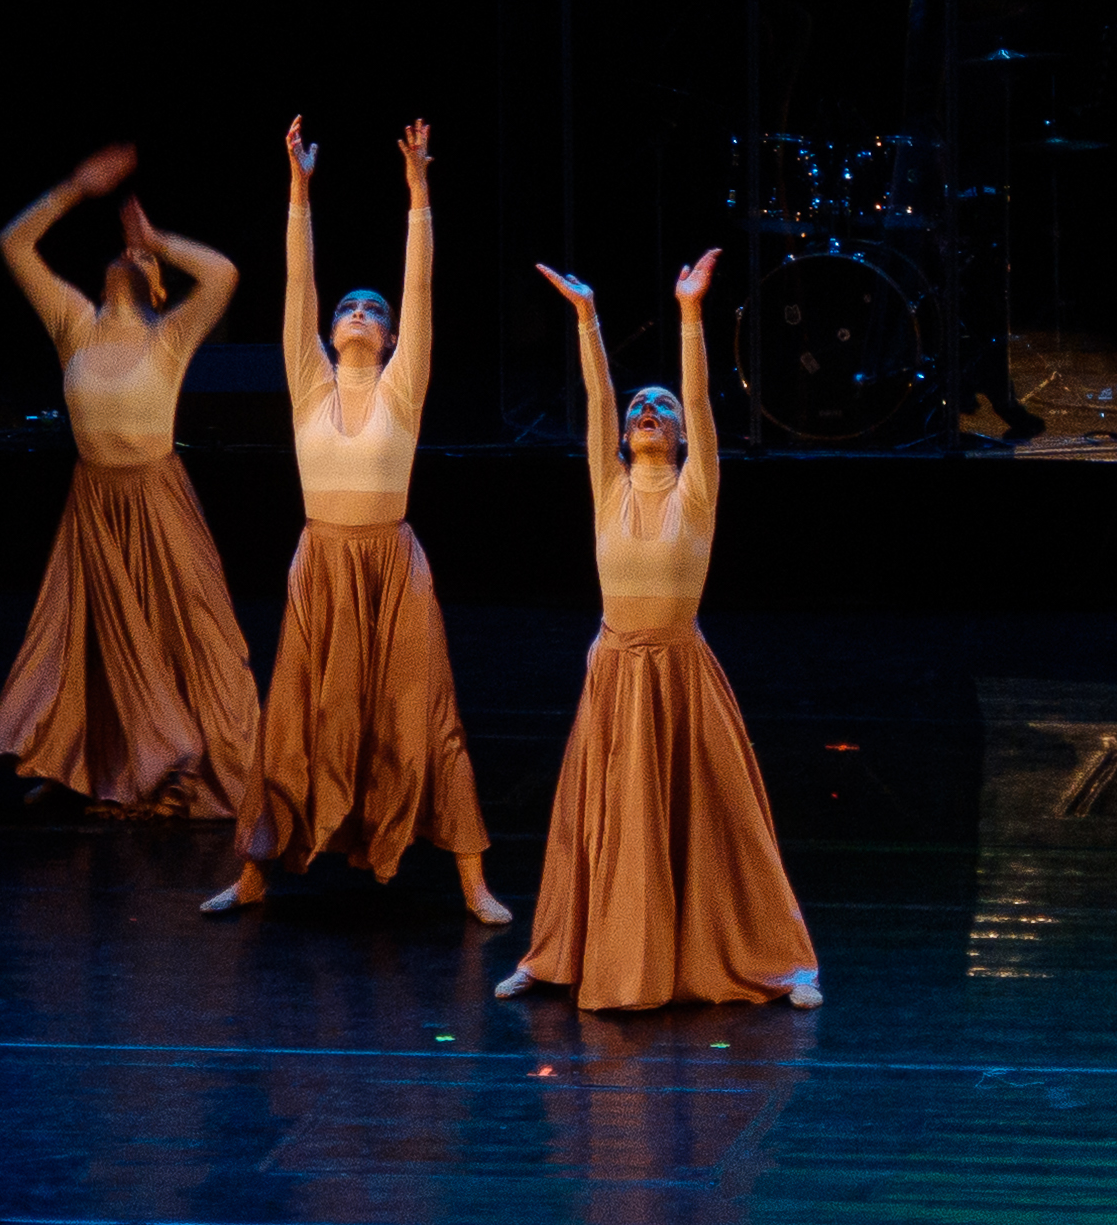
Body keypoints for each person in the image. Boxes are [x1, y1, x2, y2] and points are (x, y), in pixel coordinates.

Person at [206, 118, 510, 923]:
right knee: (295, 718)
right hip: (323, 566)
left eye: (375, 311)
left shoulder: (402, 390)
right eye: (350, 307)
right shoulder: (309, 382)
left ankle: (472, 879)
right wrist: (299, 191)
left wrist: (418, 193)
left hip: (394, 570)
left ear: (394, 337)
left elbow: (421, 289)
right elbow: (298, 283)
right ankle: (254, 875)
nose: (361, 313)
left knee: (425, 714)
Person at [499, 253, 822, 1009]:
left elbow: (702, 401)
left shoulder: (696, 492)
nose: (649, 407)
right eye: (640, 404)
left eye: (662, 406)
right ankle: (558, 955)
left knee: (714, 824)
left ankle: (777, 962)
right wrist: (587, 319)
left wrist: (690, 314)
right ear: (622, 434)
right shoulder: (608, 486)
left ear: (679, 437)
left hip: (679, 674)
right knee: (598, 822)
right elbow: (597, 395)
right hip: (615, 675)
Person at [0, 145, 259, 819]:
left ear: (160, 290)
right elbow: (13, 243)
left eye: (145, 262)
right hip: (95, 503)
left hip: (157, 500)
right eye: (124, 251)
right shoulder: (74, 324)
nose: (129, 256)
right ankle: (90, 763)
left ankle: (182, 758)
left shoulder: (171, 335)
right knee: (94, 640)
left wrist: (157, 240)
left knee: (179, 630)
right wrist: (75, 188)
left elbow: (223, 275)